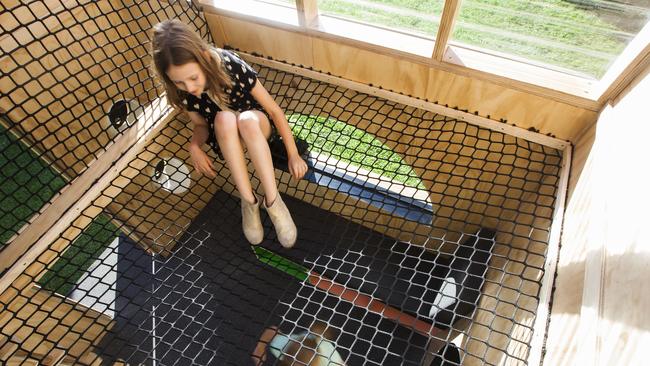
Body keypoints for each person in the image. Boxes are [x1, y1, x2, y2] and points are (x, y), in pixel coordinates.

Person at [151, 19, 308, 248]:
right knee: (223, 119)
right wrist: (194, 146)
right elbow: (201, 125)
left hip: (256, 127)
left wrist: (293, 154)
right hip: (226, 138)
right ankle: (248, 202)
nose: (190, 87)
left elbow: (274, 111)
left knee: (244, 119)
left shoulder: (229, 65)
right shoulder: (182, 91)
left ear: (204, 58)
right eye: (180, 82)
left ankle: (274, 204)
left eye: (193, 78)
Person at [252, 321, 346, 366]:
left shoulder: (330, 360)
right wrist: (260, 349)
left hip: (322, 346)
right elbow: (272, 331)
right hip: (307, 339)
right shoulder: (284, 346)